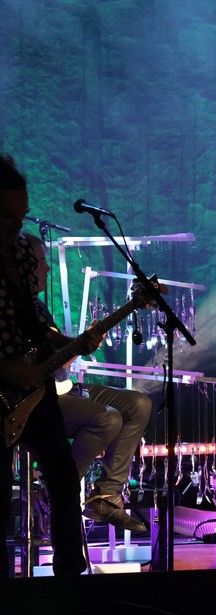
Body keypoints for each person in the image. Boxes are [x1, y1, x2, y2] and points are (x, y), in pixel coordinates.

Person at [0, 154, 103, 577]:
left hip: (32, 389)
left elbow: (36, 325)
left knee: (63, 476)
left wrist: (74, 343)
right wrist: (6, 370)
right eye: (7, 217)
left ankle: (70, 576)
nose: (16, 226)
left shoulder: (23, 253)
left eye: (21, 215)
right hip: (5, 383)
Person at [22, 233, 151, 533]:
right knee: (108, 419)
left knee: (139, 404)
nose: (48, 269)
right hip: (39, 400)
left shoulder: (38, 308)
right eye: (42, 262)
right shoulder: (14, 309)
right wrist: (74, 347)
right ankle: (52, 492)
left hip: (64, 387)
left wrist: (80, 344)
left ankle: (105, 495)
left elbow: (56, 355)